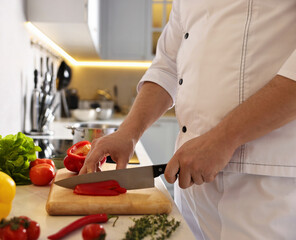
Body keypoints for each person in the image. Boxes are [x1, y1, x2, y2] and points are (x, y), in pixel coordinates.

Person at [79, 1, 296, 239]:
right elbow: (167, 67)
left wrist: (223, 139)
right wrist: (127, 133)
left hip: (262, 185)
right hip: (191, 180)